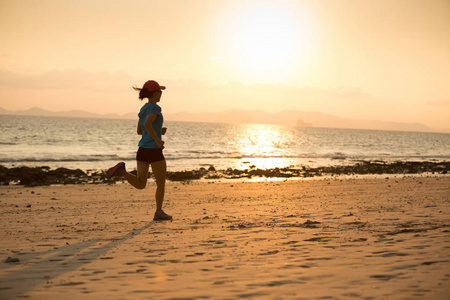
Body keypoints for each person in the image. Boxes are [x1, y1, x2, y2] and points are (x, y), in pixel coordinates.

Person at [107, 80, 172, 221]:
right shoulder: (155, 108)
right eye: (160, 91)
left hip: (142, 149)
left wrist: (158, 131)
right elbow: (148, 124)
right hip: (154, 151)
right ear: (155, 93)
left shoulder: (143, 109)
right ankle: (158, 212)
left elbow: (139, 130)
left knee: (141, 183)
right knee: (161, 184)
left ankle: (122, 171)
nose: (161, 94)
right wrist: (157, 139)